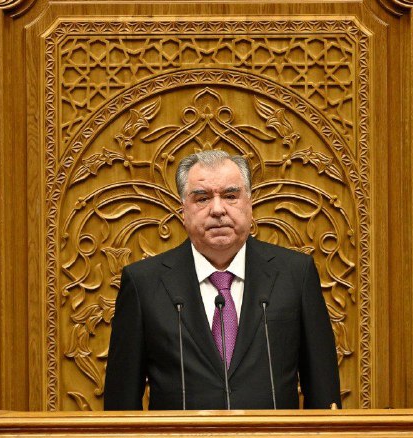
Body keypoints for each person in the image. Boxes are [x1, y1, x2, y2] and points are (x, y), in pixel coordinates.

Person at [104, 150, 341, 410]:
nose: (218, 210)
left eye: (230, 196)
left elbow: (322, 391)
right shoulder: (143, 284)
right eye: (202, 198)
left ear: (250, 203)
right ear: (183, 210)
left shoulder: (296, 274)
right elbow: (121, 405)